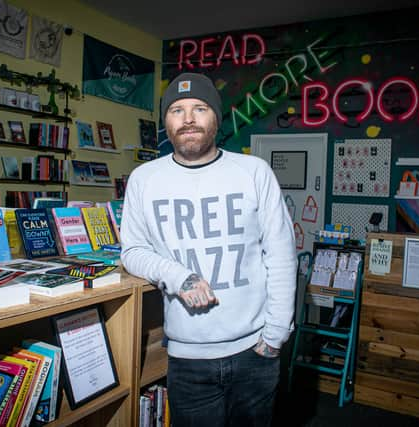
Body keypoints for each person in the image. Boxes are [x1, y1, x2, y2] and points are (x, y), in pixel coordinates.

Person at [121, 72, 297, 426]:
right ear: (166, 122)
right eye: (176, 110)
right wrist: (178, 276)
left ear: (216, 117)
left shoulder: (253, 172)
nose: (188, 118)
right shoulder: (144, 179)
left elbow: (280, 256)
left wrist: (276, 336)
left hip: (255, 351)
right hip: (188, 359)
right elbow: (132, 251)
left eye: (199, 108)